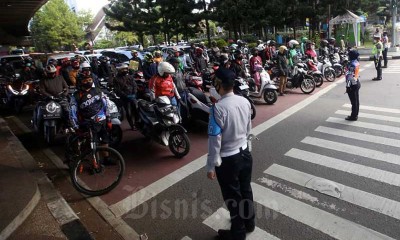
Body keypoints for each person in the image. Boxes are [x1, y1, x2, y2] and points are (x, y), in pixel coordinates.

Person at [206, 67, 255, 240]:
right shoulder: (244, 101)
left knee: (233, 197)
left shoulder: (217, 109)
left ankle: (238, 233)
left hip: (228, 160)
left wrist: (211, 165)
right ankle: (249, 223)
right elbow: (249, 128)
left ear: (218, 84)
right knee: (246, 190)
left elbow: (215, 140)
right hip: (245, 154)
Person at [69, 75, 113, 164]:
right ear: (80, 82)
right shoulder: (76, 96)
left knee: (105, 140)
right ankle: (92, 161)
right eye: (86, 80)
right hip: (87, 123)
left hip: (101, 120)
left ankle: (106, 159)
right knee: (91, 143)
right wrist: (75, 126)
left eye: (90, 80)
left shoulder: (97, 91)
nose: (88, 82)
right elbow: (72, 112)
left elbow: (106, 105)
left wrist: (108, 119)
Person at [113, 63, 138, 130]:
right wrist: (126, 96)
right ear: (119, 70)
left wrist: (134, 92)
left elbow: (134, 85)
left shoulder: (129, 77)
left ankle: (138, 122)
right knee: (128, 112)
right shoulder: (116, 79)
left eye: (126, 69)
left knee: (137, 109)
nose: (125, 70)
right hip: (125, 98)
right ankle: (132, 126)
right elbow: (117, 90)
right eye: (123, 69)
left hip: (133, 96)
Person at [345, 49, 361, 121]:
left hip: (353, 84)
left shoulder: (351, 64)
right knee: (356, 100)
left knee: (354, 102)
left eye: (349, 55)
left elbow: (350, 76)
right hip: (357, 82)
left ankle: (353, 116)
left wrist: (348, 86)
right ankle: (355, 114)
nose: (348, 56)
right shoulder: (356, 62)